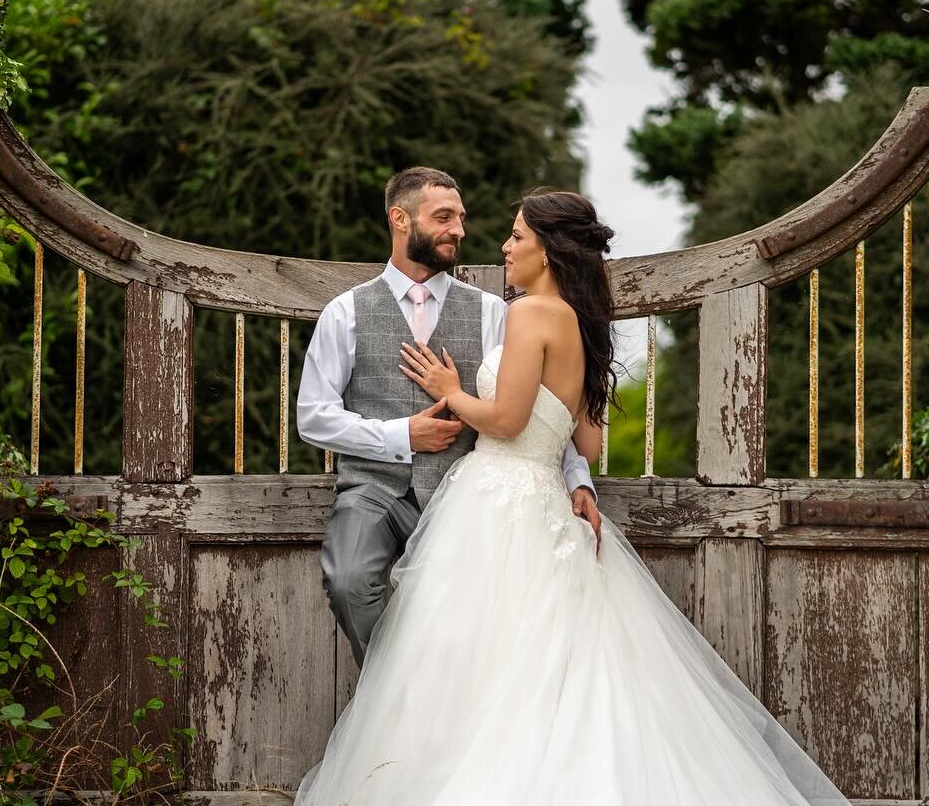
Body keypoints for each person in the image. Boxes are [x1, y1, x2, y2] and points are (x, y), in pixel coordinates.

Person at [293, 189, 853, 806]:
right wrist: (572, 476)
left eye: (515, 237)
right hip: (505, 496)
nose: (496, 244)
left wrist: (450, 390)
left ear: (548, 251)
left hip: (493, 496)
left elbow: (508, 420)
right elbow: (581, 433)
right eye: (448, 217)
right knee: (529, 650)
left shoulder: (518, 313)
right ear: (401, 220)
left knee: (468, 647)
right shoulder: (573, 323)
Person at [296, 168, 599, 668]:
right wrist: (402, 435)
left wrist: (577, 477)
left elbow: (540, 410)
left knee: (474, 621)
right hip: (374, 489)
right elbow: (313, 416)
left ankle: (428, 712)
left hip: (466, 492)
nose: (459, 229)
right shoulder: (345, 311)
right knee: (349, 581)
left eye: (461, 218)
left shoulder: (494, 312)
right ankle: (390, 698)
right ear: (400, 219)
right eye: (444, 217)